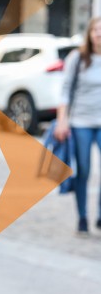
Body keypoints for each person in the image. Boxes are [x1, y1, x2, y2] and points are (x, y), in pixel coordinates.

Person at [54, 17, 101, 235]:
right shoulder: (78, 58)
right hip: (81, 122)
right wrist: (62, 120)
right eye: (96, 30)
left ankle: (100, 215)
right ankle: (82, 216)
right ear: (89, 34)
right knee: (84, 169)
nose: (99, 34)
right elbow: (65, 90)